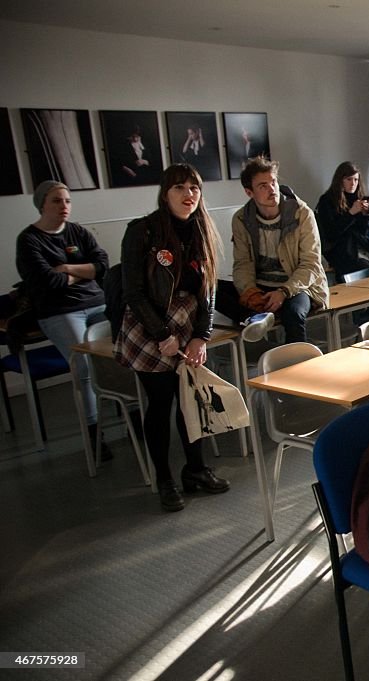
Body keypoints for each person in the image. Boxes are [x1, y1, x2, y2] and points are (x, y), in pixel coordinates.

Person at [115, 164, 230, 512]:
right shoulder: (142, 231)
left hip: (187, 326)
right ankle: (164, 478)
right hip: (149, 326)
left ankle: (195, 469)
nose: (188, 195)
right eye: (179, 188)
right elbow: (132, 292)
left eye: (194, 188)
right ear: (165, 193)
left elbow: (209, 289)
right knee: (161, 403)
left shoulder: (201, 228)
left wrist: (201, 336)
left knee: (191, 400)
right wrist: (162, 334)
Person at [15, 181, 111, 458]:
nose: (64, 206)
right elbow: (47, 281)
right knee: (83, 366)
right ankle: (94, 433)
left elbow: (102, 265)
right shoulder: (29, 240)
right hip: (60, 311)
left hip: (96, 303)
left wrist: (67, 268)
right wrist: (85, 271)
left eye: (67, 201)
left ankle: (134, 416)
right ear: (42, 204)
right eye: (57, 201)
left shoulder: (77, 231)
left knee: (122, 353)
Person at [219, 156, 329, 343]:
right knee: (212, 290)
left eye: (273, 182)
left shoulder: (302, 213)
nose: (272, 189)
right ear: (249, 192)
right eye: (263, 186)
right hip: (261, 287)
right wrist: (250, 291)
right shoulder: (241, 219)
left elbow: (311, 264)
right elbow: (242, 263)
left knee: (293, 315)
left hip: (297, 287)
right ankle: (253, 317)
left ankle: (299, 365)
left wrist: (284, 292)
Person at [315, 161, 369, 276]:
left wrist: (366, 216)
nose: (353, 184)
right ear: (340, 180)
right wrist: (351, 213)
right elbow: (331, 234)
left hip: (361, 247)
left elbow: (362, 232)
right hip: (342, 251)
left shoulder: (357, 198)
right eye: (349, 179)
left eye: (356, 180)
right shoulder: (327, 201)